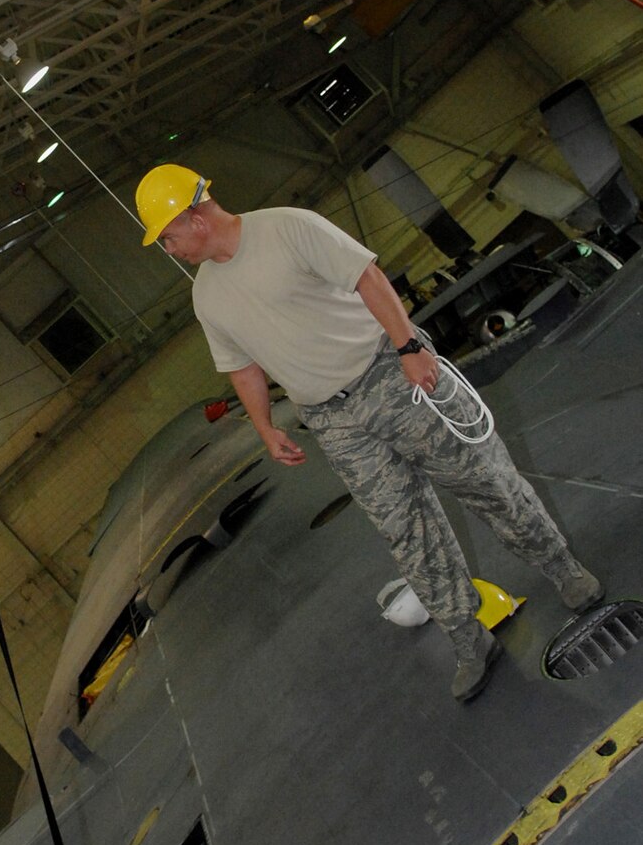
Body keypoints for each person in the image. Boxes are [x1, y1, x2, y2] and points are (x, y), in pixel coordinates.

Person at [134, 166, 603, 701]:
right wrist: (264, 428)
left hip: (389, 376)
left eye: (167, 237)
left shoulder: (287, 227)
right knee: (406, 530)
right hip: (332, 421)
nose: (169, 249)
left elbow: (367, 278)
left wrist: (409, 348)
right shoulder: (207, 297)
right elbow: (242, 367)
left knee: (482, 478)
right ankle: (469, 640)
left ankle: (564, 571)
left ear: (193, 216)